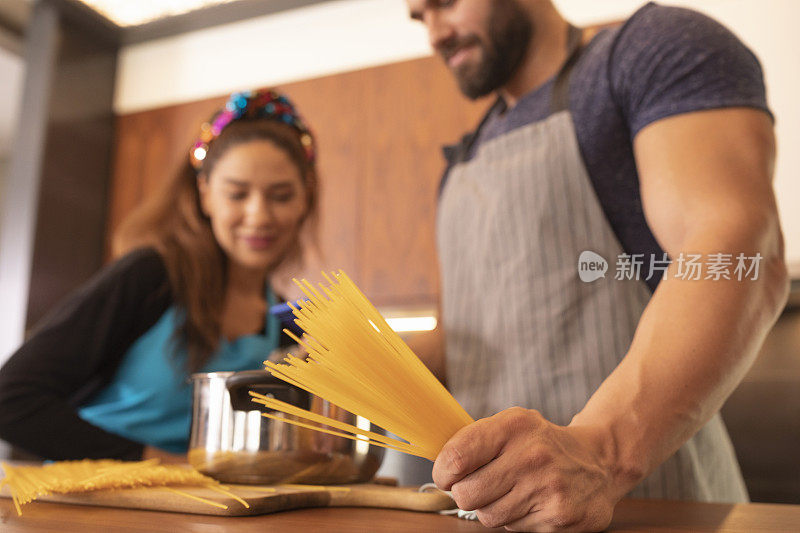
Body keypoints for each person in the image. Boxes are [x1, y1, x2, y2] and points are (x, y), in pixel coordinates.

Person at [404, 1, 788, 530]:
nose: (434, 33)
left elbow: (737, 255)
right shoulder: (462, 163)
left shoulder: (652, 51)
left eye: (444, 3)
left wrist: (601, 454)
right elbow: (466, 345)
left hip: (659, 509)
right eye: (418, 17)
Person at [0, 89, 318, 463]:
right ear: (205, 194)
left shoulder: (285, 321)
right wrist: (158, 462)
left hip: (189, 513)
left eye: (280, 196)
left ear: (304, 200)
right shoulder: (151, 278)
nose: (259, 215)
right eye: (237, 194)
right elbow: (11, 400)